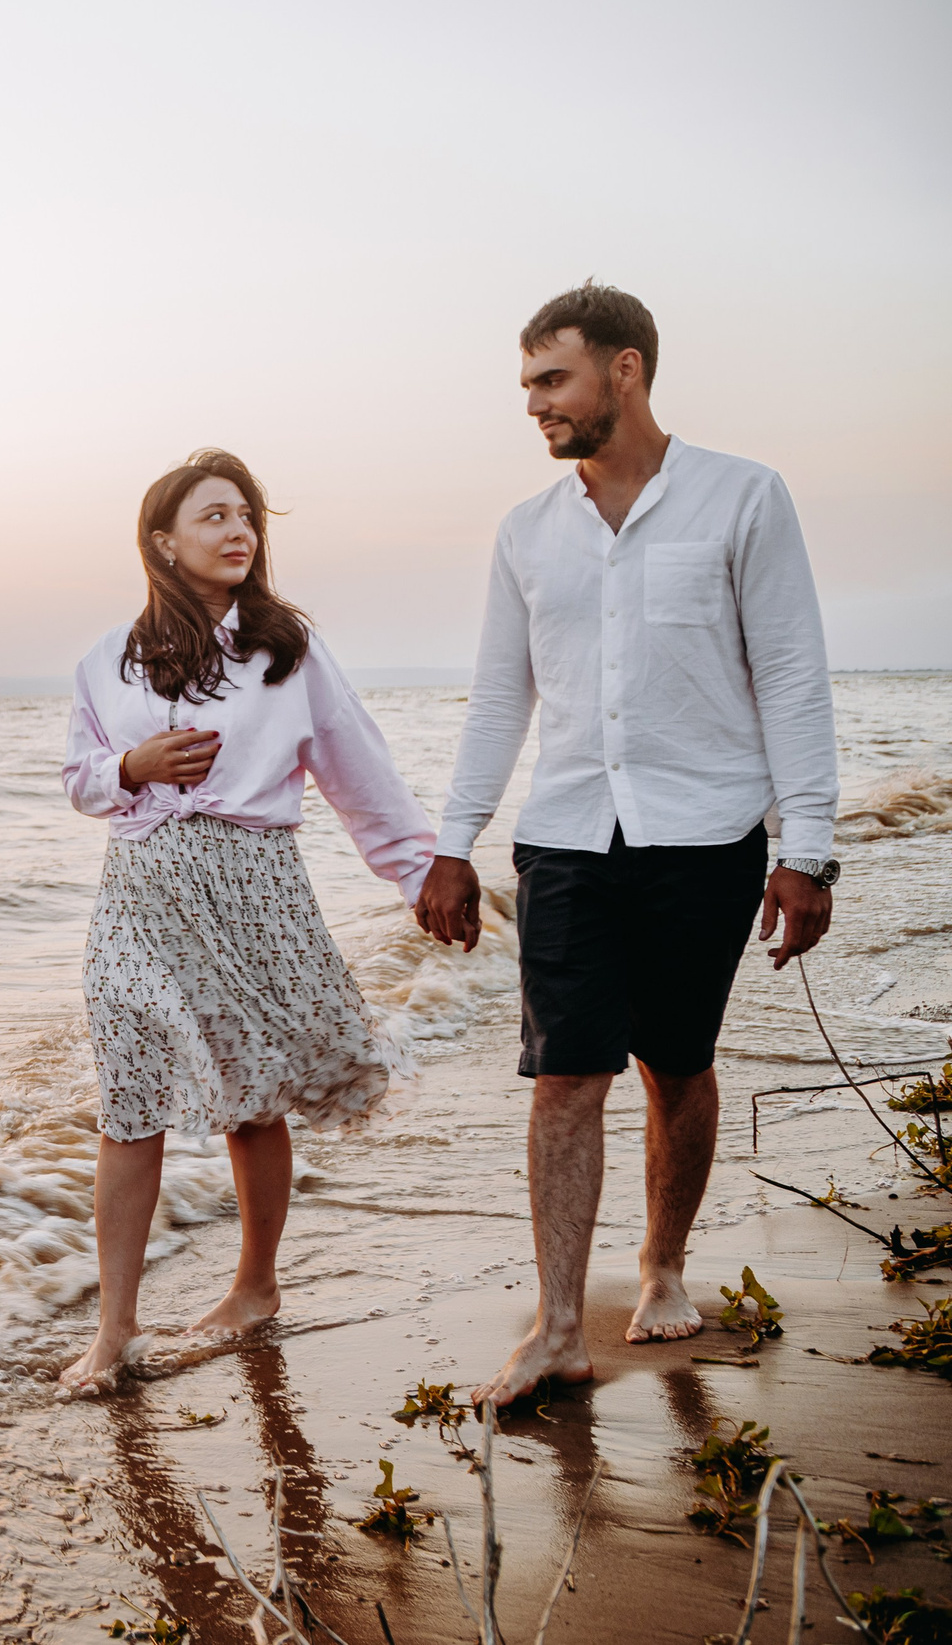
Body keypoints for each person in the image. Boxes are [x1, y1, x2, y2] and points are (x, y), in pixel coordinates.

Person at [414, 282, 840, 1407]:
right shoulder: (526, 533)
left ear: (625, 373)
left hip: (706, 836)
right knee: (563, 1077)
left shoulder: (743, 498)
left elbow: (793, 674)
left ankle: (660, 1267)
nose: (533, 406)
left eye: (551, 381)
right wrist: (451, 844)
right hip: (564, 840)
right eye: (526, 387)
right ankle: (558, 1325)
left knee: (676, 1065)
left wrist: (810, 846)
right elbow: (498, 699)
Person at [57, 449, 436, 1394]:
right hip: (139, 891)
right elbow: (80, 780)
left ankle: (255, 1285)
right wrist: (132, 769)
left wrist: (425, 879)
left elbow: (363, 777)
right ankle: (115, 1329)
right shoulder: (104, 660)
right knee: (129, 1098)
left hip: (254, 883)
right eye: (215, 516)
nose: (239, 532)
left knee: (251, 1097)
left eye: (248, 517)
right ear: (163, 541)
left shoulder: (287, 651)